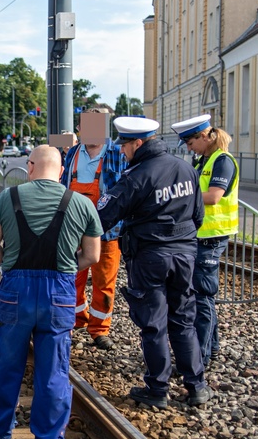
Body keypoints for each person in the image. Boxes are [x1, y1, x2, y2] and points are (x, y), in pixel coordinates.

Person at [0, 145, 103, 439]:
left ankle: (0, 427)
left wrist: (11, 263)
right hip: (58, 294)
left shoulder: (7, 199)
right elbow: (93, 256)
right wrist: (64, 269)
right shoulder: (80, 203)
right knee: (53, 372)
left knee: (8, 363)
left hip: (15, 292)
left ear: (30, 166)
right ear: (61, 171)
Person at [95, 116, 212, 409]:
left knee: (154, 324)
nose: (122, 151)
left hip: (149, 258)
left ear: (138, 143)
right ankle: (196, 386)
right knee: (184, 320)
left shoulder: (136, 177)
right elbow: (198, 215)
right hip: (185, 255)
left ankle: (157, 388)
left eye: (124, 145)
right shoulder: (186, 168)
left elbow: (103, 217)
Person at [171, 115, 239, 368]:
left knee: (202, 297)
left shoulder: (222, 161)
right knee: (203, 295)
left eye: (190, 142)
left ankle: (200, 356)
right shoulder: (206, 160)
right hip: (201, 235)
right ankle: (212, 347)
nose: (188, 148)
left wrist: (179, 197)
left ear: (204, 136)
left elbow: (212, 196)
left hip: (211, 237)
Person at [61, 136, 126, 350]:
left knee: (104, 282)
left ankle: (99, 330)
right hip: (74, 229)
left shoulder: (116, 153)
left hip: (107, 231)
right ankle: (77, 318)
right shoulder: (73, 153)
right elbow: (64, 186)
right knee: (72, 277)